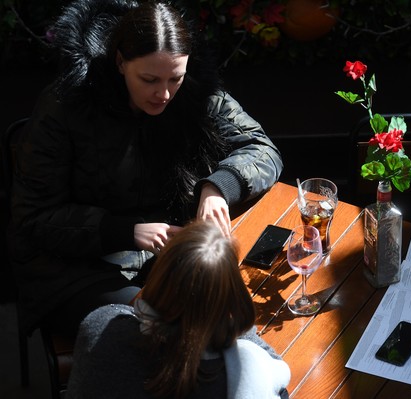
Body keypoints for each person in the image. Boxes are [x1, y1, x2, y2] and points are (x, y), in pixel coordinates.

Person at [8, 0, 283, 337]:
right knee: (163, 328)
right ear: (120, 62)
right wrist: (127, 231)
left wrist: (218, 187)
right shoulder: (67, 105)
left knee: (231, 313)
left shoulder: (195, 93)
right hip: (79, 268)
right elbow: (34, 218)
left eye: (175, 78)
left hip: (172, 254)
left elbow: (261, 148)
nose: (164, 94)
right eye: (149, 79)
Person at [66, 220, 291, 398]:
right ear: (230, 298)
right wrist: (230, 321)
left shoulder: (100, 327)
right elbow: (278, 373)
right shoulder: (244, 373)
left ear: (157, 277)